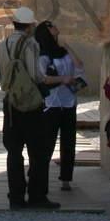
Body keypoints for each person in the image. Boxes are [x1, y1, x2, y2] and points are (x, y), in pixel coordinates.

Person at [0, 6, 71, 209]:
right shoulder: (30, 43)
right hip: (31, 103)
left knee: (14, 151)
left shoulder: (3, 44)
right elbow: (35, 74)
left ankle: (16, 197)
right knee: (39, 150)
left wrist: (9, 85)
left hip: (11, 102)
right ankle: (37, 195)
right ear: (29, 26)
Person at [36, 20, 87, 192]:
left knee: (69, 142)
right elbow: (41, 78)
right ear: (46, 32)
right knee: (47, 141)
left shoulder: (63, 52)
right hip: (52, 103)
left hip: (68, 102)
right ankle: (39, 175)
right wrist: (62, 79)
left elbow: (80, 68)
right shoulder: (43, 55)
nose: (56, 26)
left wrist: (68, 48)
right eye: (51, 26)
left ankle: (66, 178)